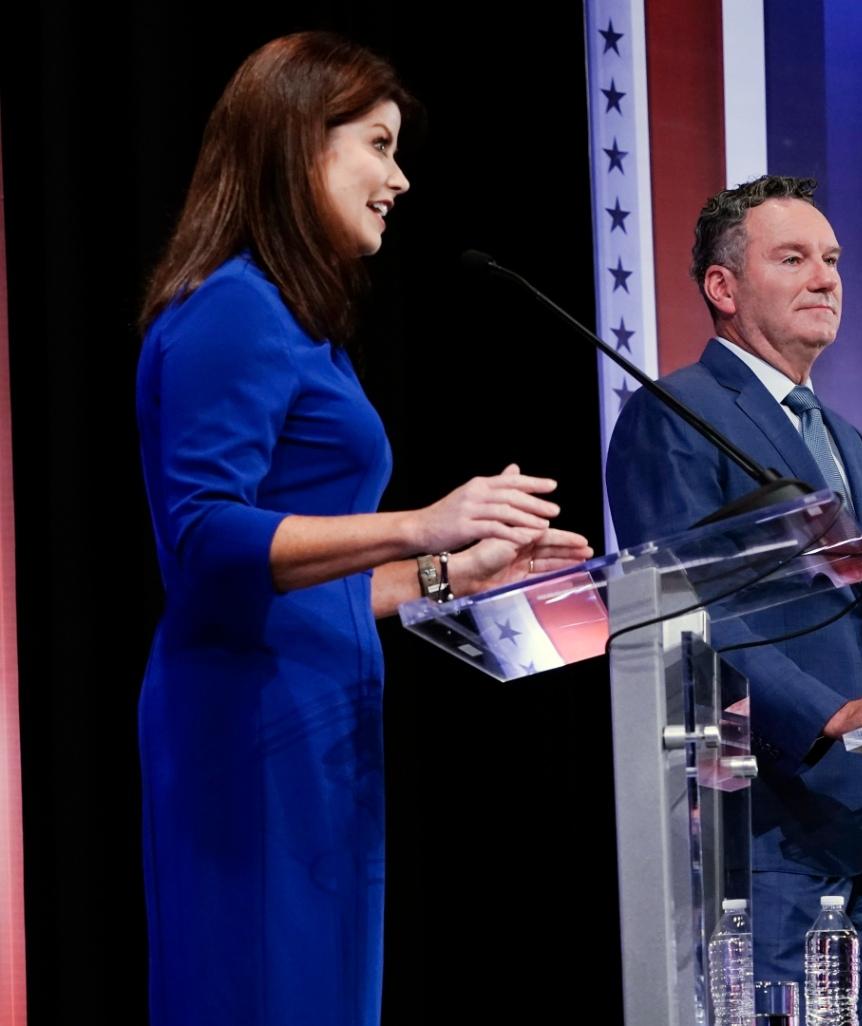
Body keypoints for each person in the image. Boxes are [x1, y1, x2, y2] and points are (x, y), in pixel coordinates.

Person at [134, 33, 591, 1026]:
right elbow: (207, 545)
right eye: (378, 145)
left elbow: (295, 576)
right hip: (251, 726)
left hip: (317, 721)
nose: (400, 178)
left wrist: (446, 574)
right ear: (301, 143)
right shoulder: (233, 311)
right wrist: (417, 524)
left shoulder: (303, 329)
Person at [605, 175, 862, 1026]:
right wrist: (833, 711)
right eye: (794, 257)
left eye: (834, 259)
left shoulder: (842, 438)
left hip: (859, 835)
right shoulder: (677, 412)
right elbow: (689, 608)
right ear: (723, 288)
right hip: (757, 829)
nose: (826, 277)